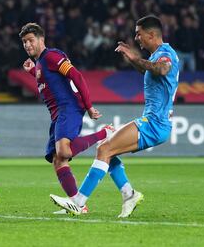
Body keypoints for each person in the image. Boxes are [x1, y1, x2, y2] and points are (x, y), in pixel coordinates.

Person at [50, 15, 179, 218]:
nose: (136, 38)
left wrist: (136, 58)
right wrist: (132, 58)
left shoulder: (165, 54)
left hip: (155, 123)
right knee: (110, 150)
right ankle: (129, 194)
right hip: (156, 123)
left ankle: (78, 202)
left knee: (104, 148)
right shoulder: (156, 55)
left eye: (139, 34)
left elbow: (162, 69)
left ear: (152, 34)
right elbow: (149, 69)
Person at [19, 23, 114, 214]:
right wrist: (32, 71)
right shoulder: (39, 63)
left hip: (68, 108)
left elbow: (76, 76)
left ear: (41, 39)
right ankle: (77, 205)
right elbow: (50, 81)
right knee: (58, 160)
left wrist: (88, 106)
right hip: (57, 116)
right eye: (24, 42)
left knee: (63, 151)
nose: (27, 45)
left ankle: (105, 133)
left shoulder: (52, 56)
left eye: (30, 40)